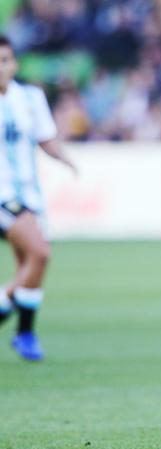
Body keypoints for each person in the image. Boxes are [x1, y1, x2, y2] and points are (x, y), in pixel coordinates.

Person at [0, 35, 77, 360]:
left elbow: (45, 139)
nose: (1, 67)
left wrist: (64, 158)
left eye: (5, 60)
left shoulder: (30, 97)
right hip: (3, 195)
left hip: (30, 193)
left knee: (30, 264)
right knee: (41, 253)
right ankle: (14, 317)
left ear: (14, 63)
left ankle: (25, 334)